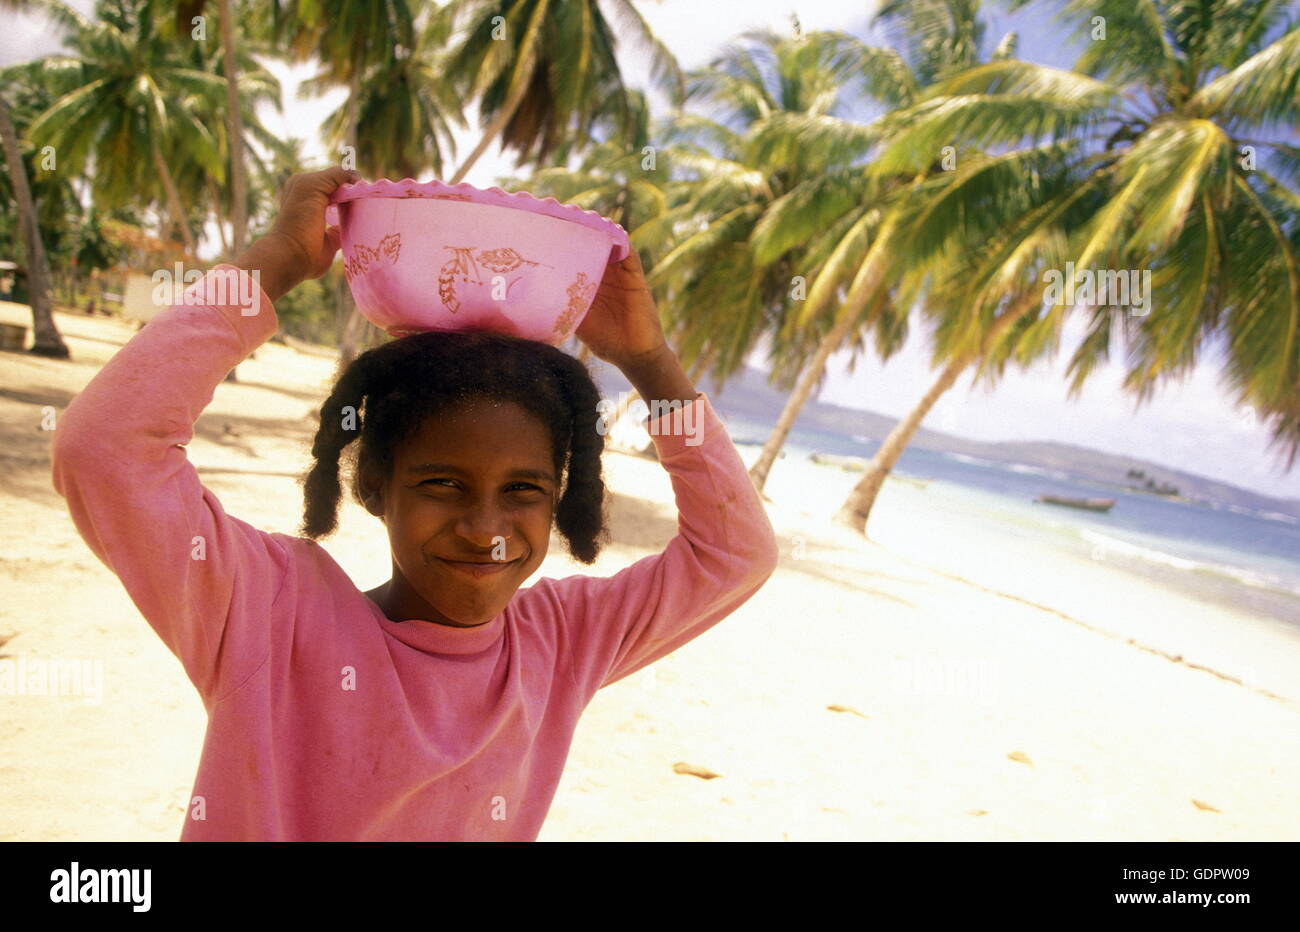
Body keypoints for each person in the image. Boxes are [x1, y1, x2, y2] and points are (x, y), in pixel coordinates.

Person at [50, 167, 780, 841]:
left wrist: (649, 361)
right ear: (373, 484)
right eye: (443, 484)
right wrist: (274, 261)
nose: (485, 529)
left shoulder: (560, 644)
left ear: (559, 498)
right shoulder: (267, 614)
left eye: (522, 491)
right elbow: (105, 448)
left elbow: (738, 554)